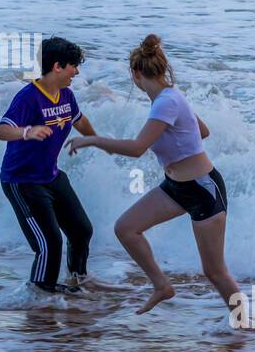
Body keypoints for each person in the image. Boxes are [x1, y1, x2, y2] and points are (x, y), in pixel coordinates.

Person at [66, 35, 239, 314]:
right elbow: (202, 132)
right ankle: (162, 286)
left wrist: (93, 140)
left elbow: (136, 148)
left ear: (135, 74)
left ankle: (245, 328)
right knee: (126, 228)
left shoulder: (166, 102)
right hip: (176, 187)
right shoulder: (171, 97)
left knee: (215, 272)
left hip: (202, 189)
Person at [0, 37, 97, 294]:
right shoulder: (28, 97)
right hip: (22, 181)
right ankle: (40, 298)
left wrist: (97, 140)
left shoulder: (66, 95)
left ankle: (77, 281)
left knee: (81, 230)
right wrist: (27, 131)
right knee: (49, 244)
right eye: (74, 65)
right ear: (57, 66)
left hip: (50, 176)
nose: (77, 71)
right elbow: (1, 130)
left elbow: (79, 120)